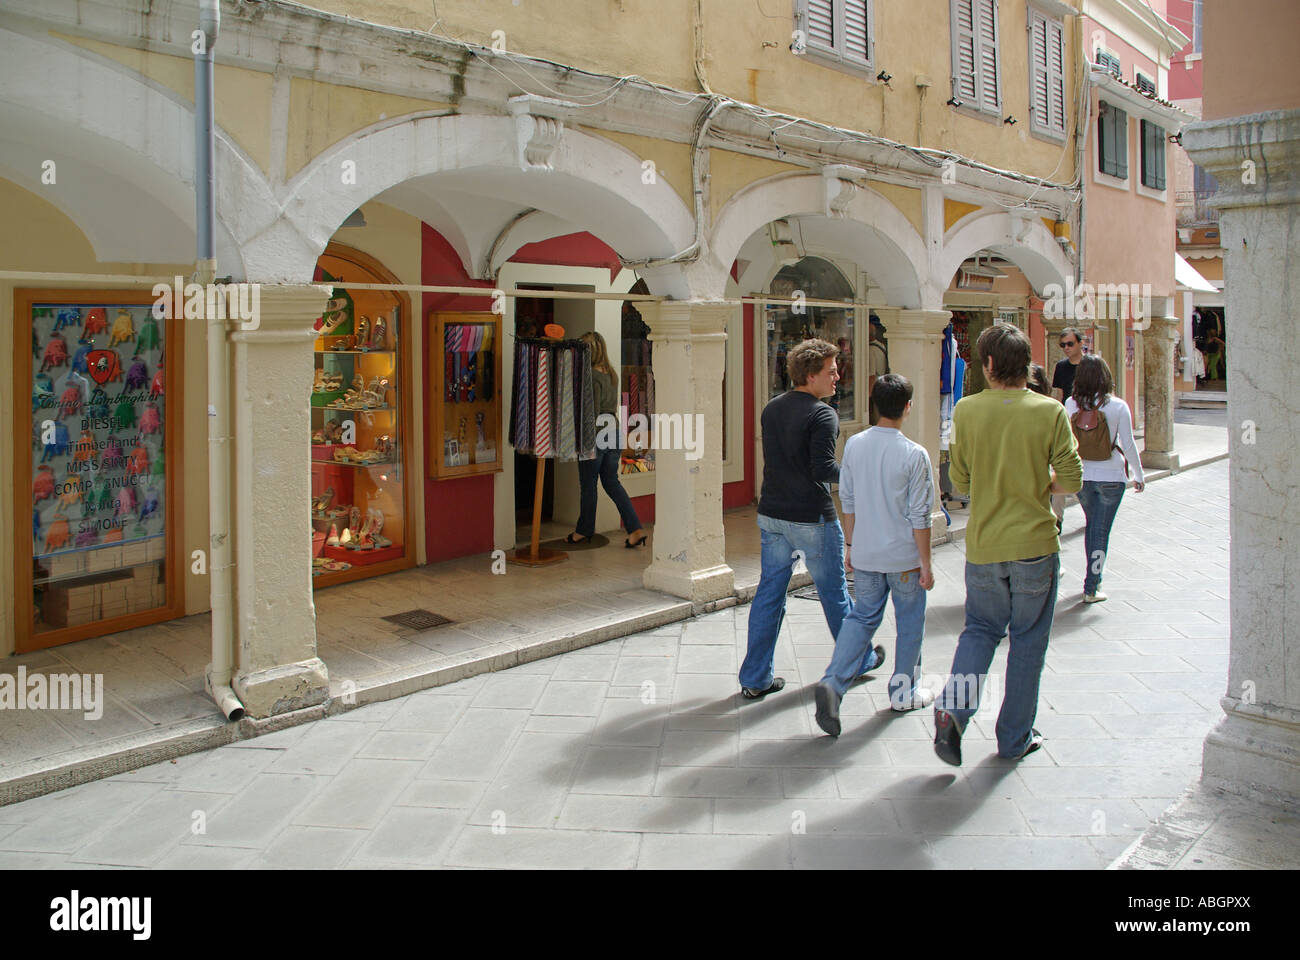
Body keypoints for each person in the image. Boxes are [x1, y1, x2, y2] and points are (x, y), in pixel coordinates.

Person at [933, 323, 1083, 766]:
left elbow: (958, 481)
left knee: (979, 631)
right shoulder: (1050, 412)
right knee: (1028, 642)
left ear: (991, 365)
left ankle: (953, 708)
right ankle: (1014, 738)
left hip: (984, 546)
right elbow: (1071, 479)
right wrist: (1037, 482)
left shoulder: (966, 411)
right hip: (1035, 544)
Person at [814, 374, 935, 737]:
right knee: (910, 622)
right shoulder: (915, 454)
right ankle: (904, 691)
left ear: (875, 404)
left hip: (865, 551)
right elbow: (920, 516)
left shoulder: (854, 445)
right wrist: (926, 563)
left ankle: (834, 682)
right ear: (907, 408)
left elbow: (846, 500)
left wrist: (850, 545)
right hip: (903, 559)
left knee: (862, 616)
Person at [740, 339, 854, 700]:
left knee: (769, 595)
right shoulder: (823, 414)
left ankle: (755, 678)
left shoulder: (772, 408)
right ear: (810, 374)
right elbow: (822, 469)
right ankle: (857, 660)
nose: (838, 377)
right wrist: (857, 471)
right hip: (811, 518)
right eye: (831, 371)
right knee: (835, 595)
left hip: (772, 515)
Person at [1064, 355, 1145, 603]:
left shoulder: (1070, 404)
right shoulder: (1118, 406)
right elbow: (1128, 444)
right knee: (1100, 532)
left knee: (1093, 527)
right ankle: (1092, 586)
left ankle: (1092, 582)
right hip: (1111, 477)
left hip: (1083, 477)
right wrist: (1139, 474)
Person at [565, 331, 648, 548]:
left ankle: (584, 531)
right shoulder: (612, 374)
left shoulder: (590, 376)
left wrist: (583, 439)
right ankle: (635, 528)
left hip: (596, 432)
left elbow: (591, 412)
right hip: (614, 431)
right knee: (612, 482)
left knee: (589, 484)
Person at [1050, 328, 1085, 530]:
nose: (1066, 348)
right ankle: (1058, 519)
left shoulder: (1091, 365)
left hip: (1088, 423)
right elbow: (1060, 395)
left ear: (1080, 343)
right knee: (1061, 468)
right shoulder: (1061, 367)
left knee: (1080, 470)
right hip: (1067, 423)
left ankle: (1089, 509)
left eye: (1070, 344)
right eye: (1062, 345)